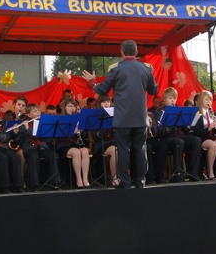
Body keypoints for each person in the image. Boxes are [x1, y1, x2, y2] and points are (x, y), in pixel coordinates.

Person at [82, 39, 159, 189]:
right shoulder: (146, 68)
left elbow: (102, 89)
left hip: (122, 118)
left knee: (123, 150)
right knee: (140, 149)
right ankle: (140, 181)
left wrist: (92, 82)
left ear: (122, 52)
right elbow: (154, 90)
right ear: (136, 52)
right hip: (140, 117)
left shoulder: (116, 69)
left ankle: (125, 181)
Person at [151, 87, 201, 182]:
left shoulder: (179, 110)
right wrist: (170, 125)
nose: (172, 100)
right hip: (166, 138)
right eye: (170, 98)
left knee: (196, 140)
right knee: (179, 142)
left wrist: (188, 122)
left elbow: (184, 129)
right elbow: (158, 132)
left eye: (174, 98)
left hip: (177, 136)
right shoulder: (158, 112)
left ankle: (193, 173)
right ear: (164, 99)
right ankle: (178, 174)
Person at [192, 90, 216, 180]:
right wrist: (208, 128)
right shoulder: (197, 114)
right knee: (212, 145)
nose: (209, 102)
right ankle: (211, 172)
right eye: (206, 99)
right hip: (201, 138)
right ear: (201, 100)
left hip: (210, 137)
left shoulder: (211, 113)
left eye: (210, 100)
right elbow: (195, 131)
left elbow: (214, 132)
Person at [56, 99, 91, 188]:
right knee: (76, 152)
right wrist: (71, 131)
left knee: (85, 151)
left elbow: (84, 135)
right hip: (64, 144)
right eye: (69, 106)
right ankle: (78, 179)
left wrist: (80, 130)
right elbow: (59, 137)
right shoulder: (60, 119)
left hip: (76, 143)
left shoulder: (78, 118)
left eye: (74, 106)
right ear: (65, 107)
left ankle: (85, 179)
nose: (72, 108)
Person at [92, 94, 118, 186]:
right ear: (99, 104)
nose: (106, 103)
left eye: (108, 101)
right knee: (115, 150)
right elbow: (95, 135)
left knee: (122, 147)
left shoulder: (115, 114)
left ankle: (123, 175)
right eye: (103, 102)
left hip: (113, 141)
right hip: (101, 143)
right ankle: (114, 178)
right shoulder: (95, 116)